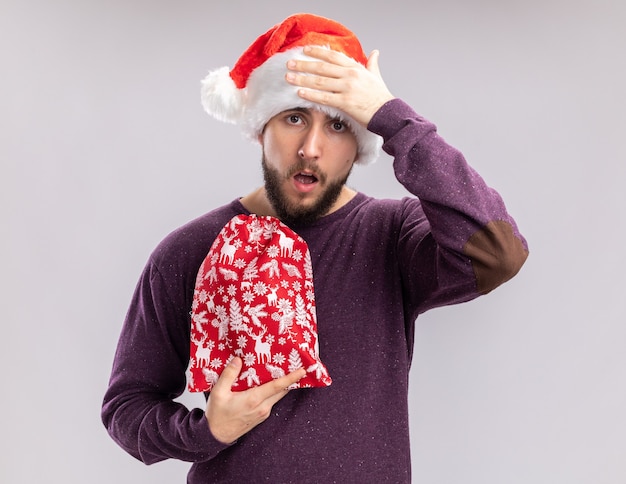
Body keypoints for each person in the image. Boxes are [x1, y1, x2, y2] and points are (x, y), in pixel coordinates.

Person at [101, 13, 528, 483]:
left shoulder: (392, 235)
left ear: (360, 145)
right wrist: (208, 431)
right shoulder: (190, 250)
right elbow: (127, 407)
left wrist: (393, 118)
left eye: (340, 126)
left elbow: (496, 252)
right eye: (294, 118)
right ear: (262, 129)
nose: (311, 147)